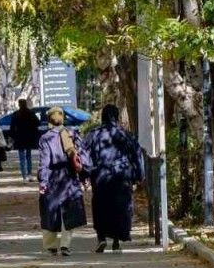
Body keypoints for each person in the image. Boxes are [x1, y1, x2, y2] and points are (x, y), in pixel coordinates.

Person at [83, 104, 143, 253]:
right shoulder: (126, 135)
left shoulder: (93, 134)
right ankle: (116, 241)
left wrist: (84, 175)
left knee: (101, 207)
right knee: (120, 208)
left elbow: (84, 155)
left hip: (100, 175)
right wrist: (139, 175)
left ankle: (101, 237)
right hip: (122, 176)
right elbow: (137, 155)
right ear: (117, 117)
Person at [38, 107, 86, 256]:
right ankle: (65, 245)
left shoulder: (45, 138)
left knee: (50, 211)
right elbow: (81, 156)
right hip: (70, 177)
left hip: (53, 177)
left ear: (49, 120)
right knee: (69, 211)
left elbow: (44, 162)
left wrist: (43, 181)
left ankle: (51, 246)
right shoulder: (72, 134)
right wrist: (84, 177)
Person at [9, 99, 41, 180]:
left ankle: (24, 176)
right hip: (29, 137)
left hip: (19, 137)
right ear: (26, 104)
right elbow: (38, 123)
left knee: (22, 157)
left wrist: (13, 136)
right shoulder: (31, 113)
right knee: (28, 156)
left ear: (19, 105)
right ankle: (29, 174)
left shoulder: (16, 114)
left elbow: (12, 127)